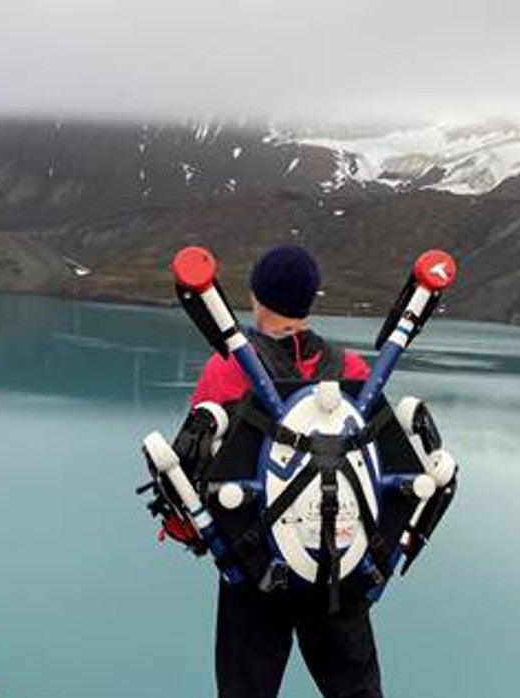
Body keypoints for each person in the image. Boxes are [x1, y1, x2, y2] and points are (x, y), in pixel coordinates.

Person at [187, 245, 382, 698]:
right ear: (309, 300)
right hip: (338, 566)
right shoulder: (351, 370)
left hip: (255, 571)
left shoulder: (227, 370)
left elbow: (195, 465)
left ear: (256, 296)